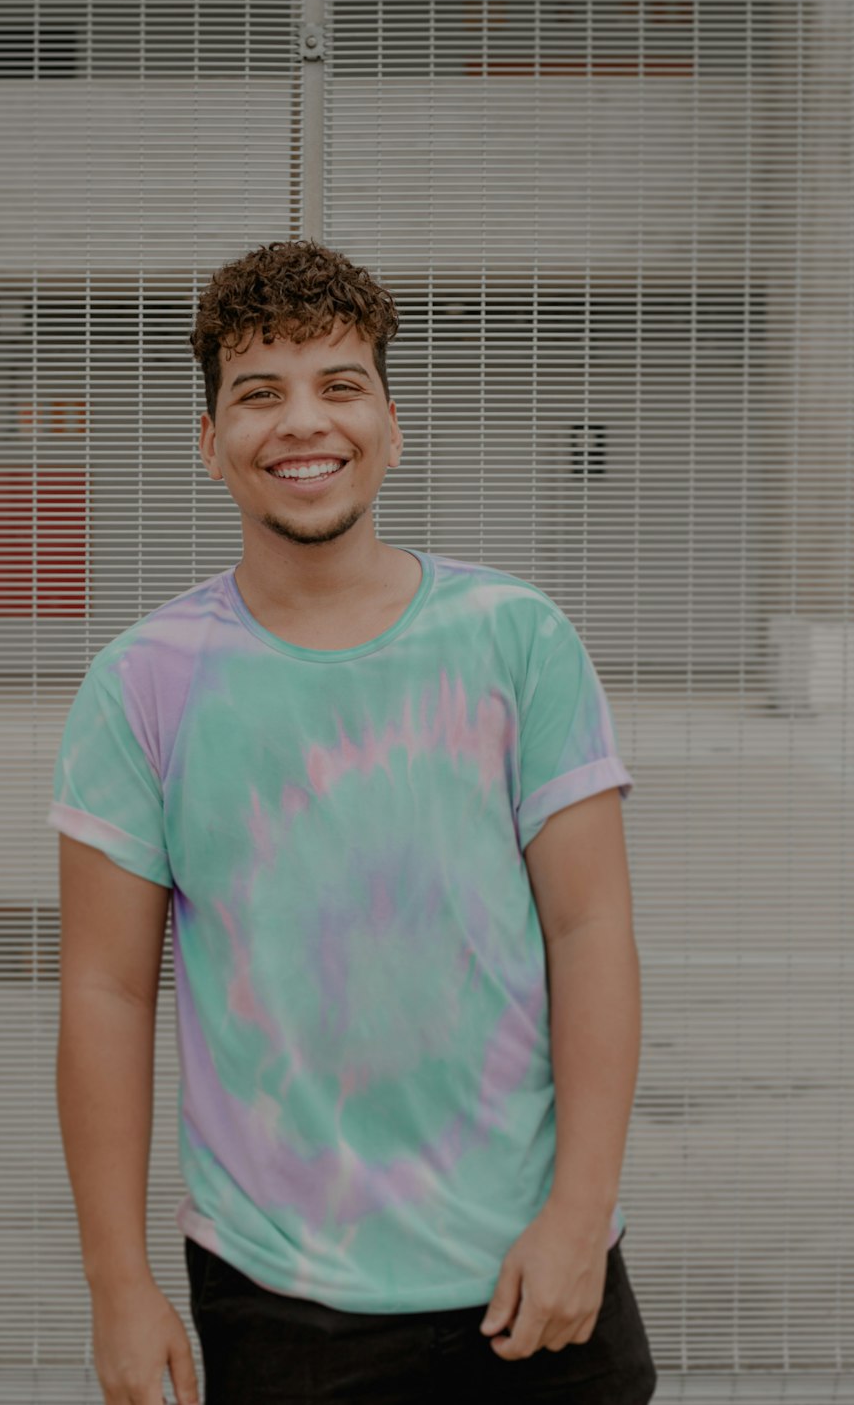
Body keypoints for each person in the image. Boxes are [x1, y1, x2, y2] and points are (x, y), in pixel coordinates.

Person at [50, 239, 658, 1405]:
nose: (301, 423)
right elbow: (106, 993)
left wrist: (581, 1217)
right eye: (257, 393)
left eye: (340, 384)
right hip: (283, 1299)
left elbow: (590, 932)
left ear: (389, 418)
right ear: (208, 442)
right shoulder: (142, 686)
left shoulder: (515, 638)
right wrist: (116, 1285)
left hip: (535, 1273)